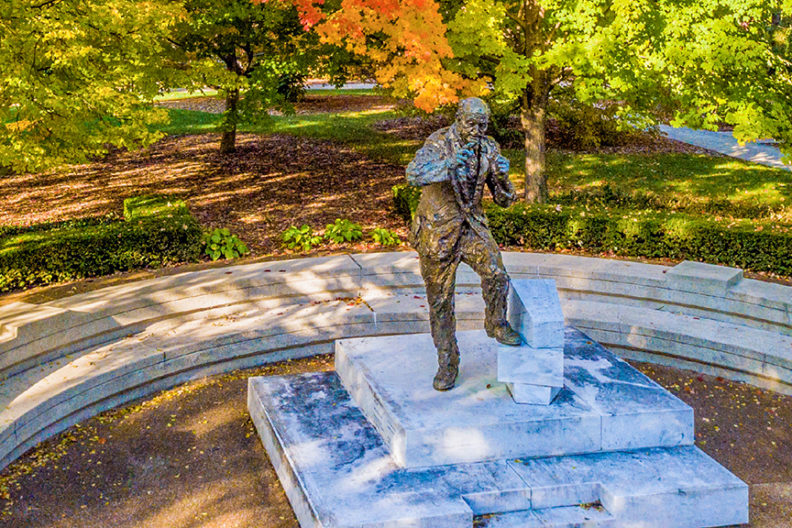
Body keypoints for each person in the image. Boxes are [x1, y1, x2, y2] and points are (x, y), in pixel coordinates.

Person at [406, 97, 521, 391]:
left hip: (472, 227)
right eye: (471, 123)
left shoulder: (490, 147)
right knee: (441, 302)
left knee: (497, 274)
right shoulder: (438, 142)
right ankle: (448, 362)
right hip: (438, 231)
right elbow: (413, 175)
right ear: (459, 118)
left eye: (482, 124)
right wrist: (447, 166)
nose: (477, 129)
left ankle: (495, 322)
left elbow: (504, 200)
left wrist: (505, 179)